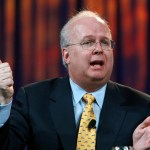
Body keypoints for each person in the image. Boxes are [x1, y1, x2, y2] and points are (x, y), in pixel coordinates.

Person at [0, 10, 150, 150]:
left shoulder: (142, 107)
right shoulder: (33, 99)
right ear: (66, 55)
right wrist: (3, 101)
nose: (98, 49)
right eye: (88, 42)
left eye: (105, 42)